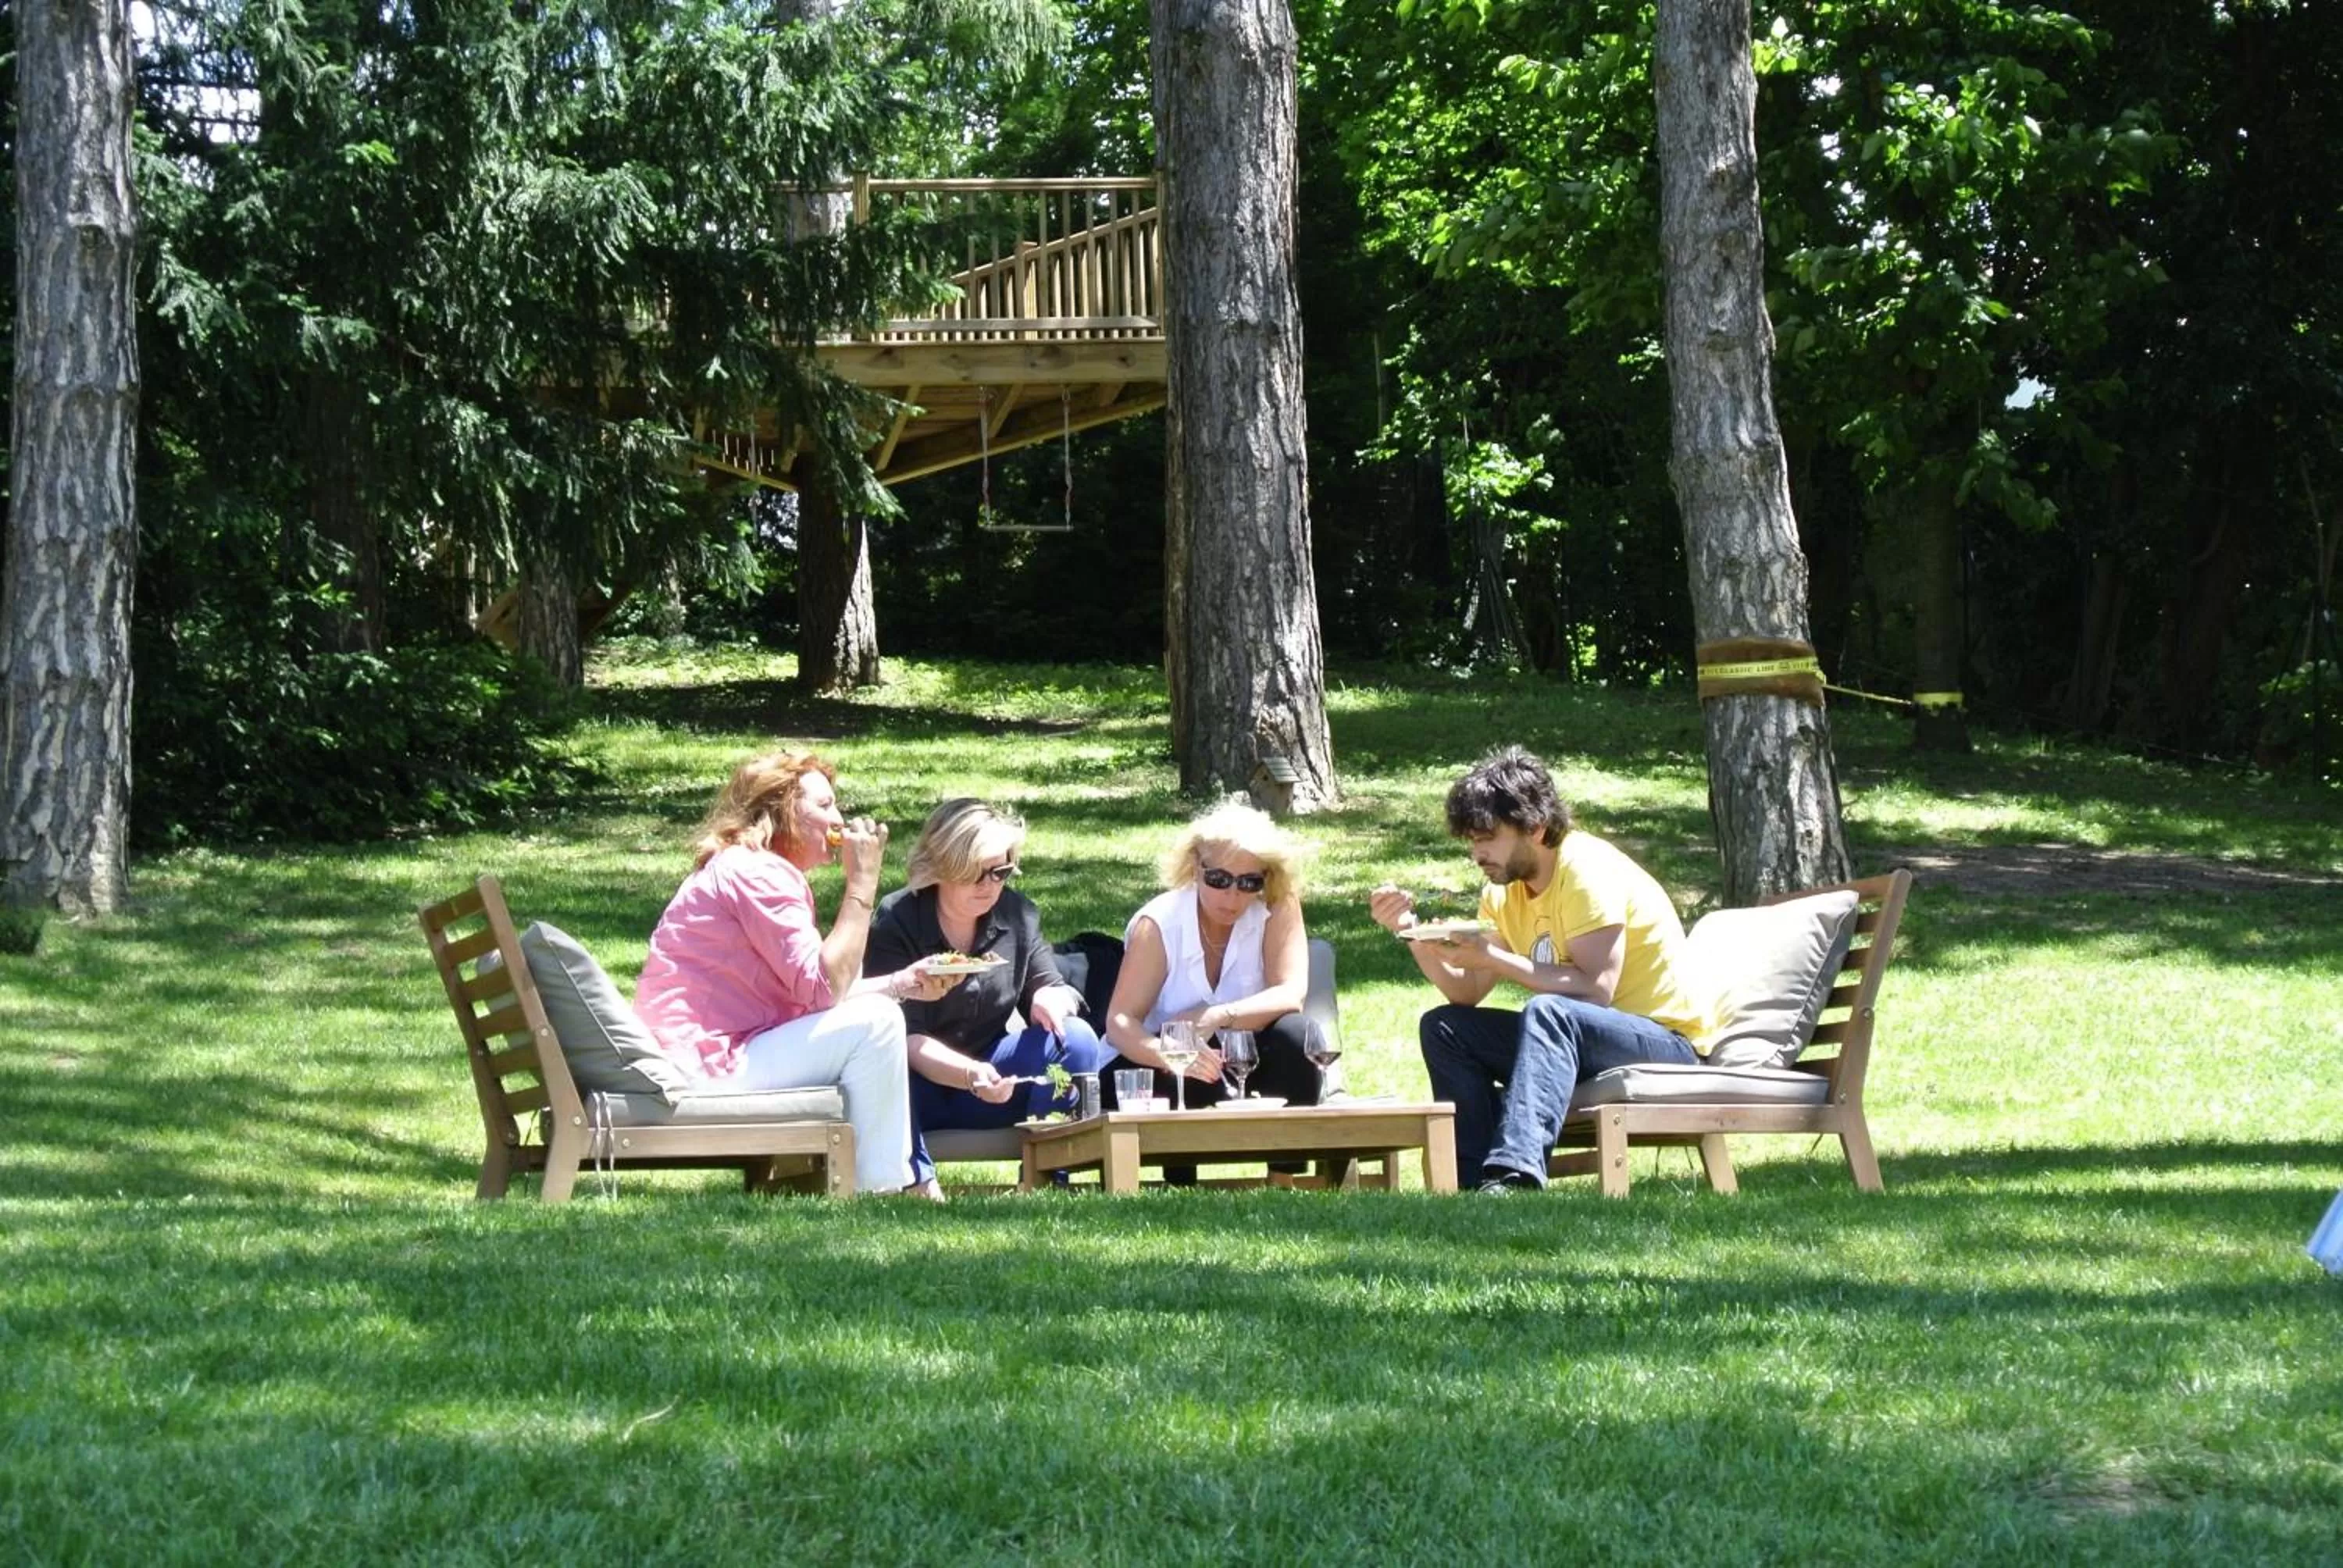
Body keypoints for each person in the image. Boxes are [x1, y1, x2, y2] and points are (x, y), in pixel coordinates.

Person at [1369, 745, 1716, 1193]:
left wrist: (1493, 956)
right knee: (1445, 1027)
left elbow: (1594, 992)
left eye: (1487, 837)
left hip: (1664, 1041)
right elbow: (1465, 993)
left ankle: (1515, 1175)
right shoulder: (1503, 891)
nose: (1478, 854)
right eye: (1472, 841)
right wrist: (1408, 930)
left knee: (1550, 1011)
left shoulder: (1586, 870)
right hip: (1573, 1042)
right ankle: (1470, 1181)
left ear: (1535, 827)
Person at [633, 748, 961, 1197]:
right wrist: (861, 884)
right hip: (708, 1063)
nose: (838, 820)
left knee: (879, 1012)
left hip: (711, 1051)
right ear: (783, 811)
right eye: (824, 806)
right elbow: (825, 989)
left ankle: (883, 1180)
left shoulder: (747, 866)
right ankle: (884, 1189)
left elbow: (809, 993)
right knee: (879, 1023)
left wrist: (899, 983)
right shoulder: (759, 874)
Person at [864, 799, 1113, 1186]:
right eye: (974, 874)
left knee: (1075, 1039)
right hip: (916, 1088)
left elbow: (1052, 985)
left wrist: (1053, 998)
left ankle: (1047, 1175)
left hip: (993, 1076)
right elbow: (907, 1039)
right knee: (882, 1070)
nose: (989, 885)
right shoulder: (898, 919)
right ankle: (916, 1181)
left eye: (1000, 872)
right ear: (942, 868)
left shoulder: (1017, 914)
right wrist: (969, 1074)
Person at [1101, 799, 1323, 1113]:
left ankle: (1285, 1163)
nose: (1232, 896)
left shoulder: (1277, 905)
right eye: (1219, 880)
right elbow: (1120, 1022)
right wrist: (1166, 1053)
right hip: (1157, 1062)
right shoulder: (1159, 923)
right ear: (1195, 867)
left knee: (1296, 1035)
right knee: (1172, 1075)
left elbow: (1291, 993)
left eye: (1249, 882)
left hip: (1241, 1055)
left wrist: (1219, 1015)